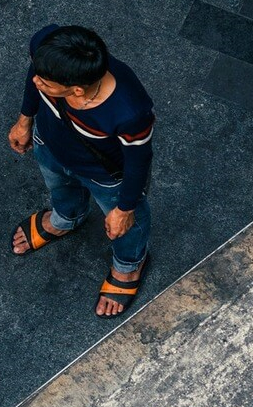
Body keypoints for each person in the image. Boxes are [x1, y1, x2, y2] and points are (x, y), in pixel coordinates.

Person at [8, 25, 154, 318]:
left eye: (46, 83)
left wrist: (125, 208)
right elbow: (35, 75)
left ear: (76, 90)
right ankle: (67, 217)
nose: (37, 81)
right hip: (49, 145)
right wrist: (25, 120)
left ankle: (128, 266)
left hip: (105, 175)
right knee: (59, 187)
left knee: (126, 227)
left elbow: (139, 161)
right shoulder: (49, 49)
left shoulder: (129, 111)